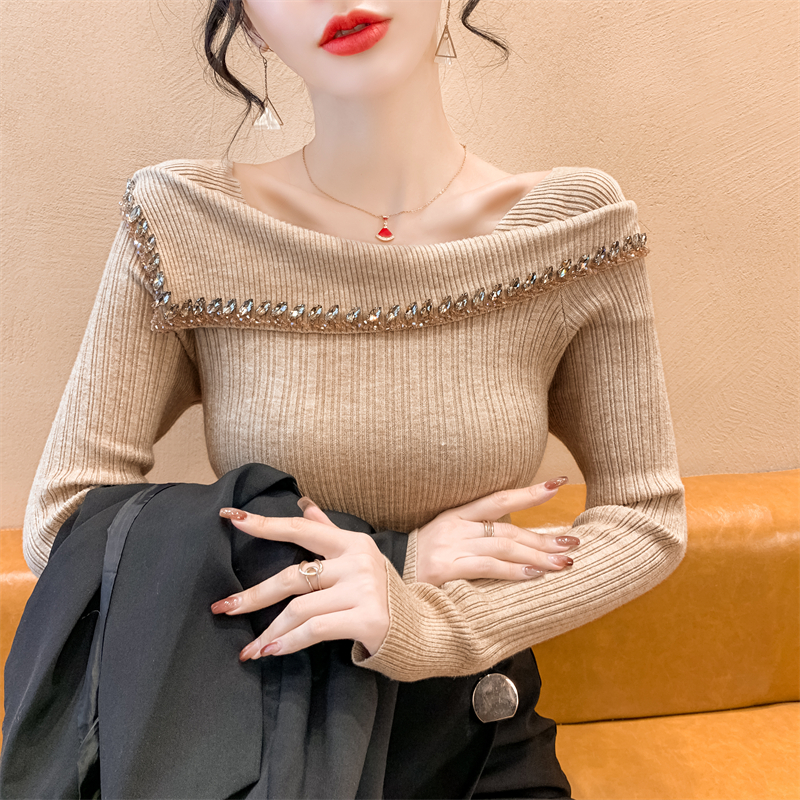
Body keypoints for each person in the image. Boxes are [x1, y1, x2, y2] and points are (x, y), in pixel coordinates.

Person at [15, 0, 688, 796]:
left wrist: (432, 621)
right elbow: (63, 521)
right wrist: (403, 557)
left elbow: (646, 516)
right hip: (262, 741)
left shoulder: (573, 227)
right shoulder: (185, 222)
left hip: (475, 739)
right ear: (250, 24)